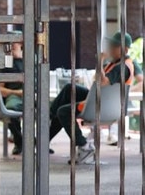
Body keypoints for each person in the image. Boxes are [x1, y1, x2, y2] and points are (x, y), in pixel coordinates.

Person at [48, 31, 135, 165]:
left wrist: (100, 60)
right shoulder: (115, 63)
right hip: (100, 100)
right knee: (69, 89)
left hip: (102, 105)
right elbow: (97, 79)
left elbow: (102, 81)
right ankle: (48, 116)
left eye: (114, 46)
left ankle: (84, 146)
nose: (110, 48)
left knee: (63, 112)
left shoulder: (123, 67)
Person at [0, 32, 24, 155]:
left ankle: (42, 142)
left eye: (15, 41)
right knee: (10, 110)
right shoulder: (6, 62)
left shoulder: (33, 59)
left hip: (36, 95)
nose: (12, 44)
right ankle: (20, 142)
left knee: (55, 110)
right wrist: (16, 92)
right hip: (15, 96)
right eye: (9, 42)